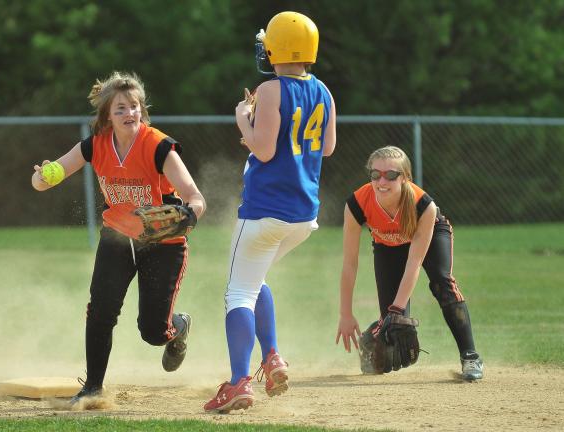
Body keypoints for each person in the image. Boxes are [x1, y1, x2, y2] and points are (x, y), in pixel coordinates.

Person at [31, 71, 206, 404]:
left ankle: (177, 327)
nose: (130, 114)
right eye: (121, 108)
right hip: (118, 237)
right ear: (107, 116)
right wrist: (41, 178)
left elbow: (195, 197)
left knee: (152, 332)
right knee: (100, 311)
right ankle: (93, 387)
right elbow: (53, 173)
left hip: (162, 242)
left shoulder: (158, 146)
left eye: (135, 106)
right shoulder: (95, 145)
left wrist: (188, 214)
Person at [204, 11, 337, 413]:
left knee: (237, 293)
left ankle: (238, 382)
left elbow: (262, 149)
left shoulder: (270, 89)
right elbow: (327, 147)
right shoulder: (324, 91)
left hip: (266, 209)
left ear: (276, 48)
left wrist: (243, 119)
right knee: (254, 280)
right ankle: (273, 356)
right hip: (302, 215)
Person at [335, 146, 484, 381]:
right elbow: (349, 264)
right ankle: (368, 339)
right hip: (388, 245)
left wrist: (397, 309)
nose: (381, 181)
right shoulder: (357, 203)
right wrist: (345, 313)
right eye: (375, 174)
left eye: (391, 175)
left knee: (442, 283)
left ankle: (470, 357)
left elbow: (414, 262)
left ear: (404, 177)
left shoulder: (423, 205)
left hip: (430, 236)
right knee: (390, 324)